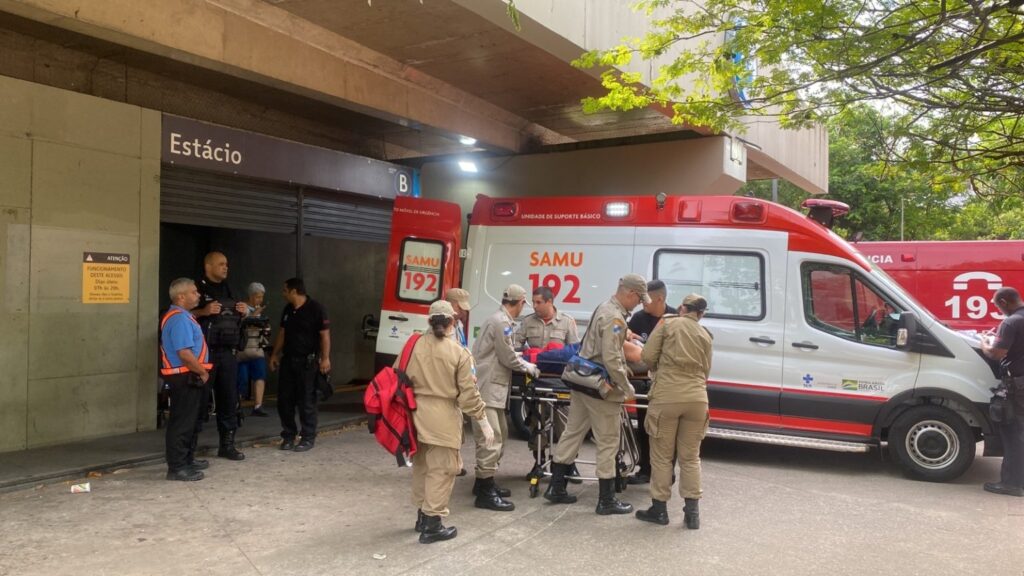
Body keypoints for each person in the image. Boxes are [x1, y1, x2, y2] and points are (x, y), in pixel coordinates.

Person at [545, 274, 650, 515]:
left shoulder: (603, 307)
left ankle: (556, 487)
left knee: (572, 433)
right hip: (601, 386)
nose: (638, 304)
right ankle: (606, 500)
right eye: (638, 299)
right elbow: (612, 358)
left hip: (581, 381)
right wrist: (626, 387)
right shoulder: (615, 316)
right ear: (630, 293)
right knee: (608, 442)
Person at [407, 300, 494, 543]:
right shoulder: (459, 353)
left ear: (428, 321)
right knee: (442, 470)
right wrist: (483, 419)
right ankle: (433, 525)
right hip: (443, 418)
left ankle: (421, 517)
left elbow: (398, 377)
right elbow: (468, 395)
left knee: (422, 466)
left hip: (414, 414)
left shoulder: (412, 345)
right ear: (452, 323)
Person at [635, 294, 714, 528]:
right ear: (701, 313)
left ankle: (659, 511)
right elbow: (706, 371)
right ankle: (692, 514)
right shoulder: (705, 335)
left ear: (682, 308)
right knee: (691, 458)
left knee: (662, 457)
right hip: (698, 400)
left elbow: (647, 357)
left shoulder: (667, 323)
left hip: (668, 396)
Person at [471, 284, 541, 512]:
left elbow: (503, 351)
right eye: (523, 304)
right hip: (488, 388)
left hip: (493, 387)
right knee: (491, 439)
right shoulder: (502, 323)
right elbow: (507, 356)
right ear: (520, 302)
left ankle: (484, 482)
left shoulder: (499, 320)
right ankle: (484, 491)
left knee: (498, 434)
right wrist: (528, 366)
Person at [192, 251, 248, 461]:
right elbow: (180, 313)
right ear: (208, 266)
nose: (226, 268)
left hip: (228, 353)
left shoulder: (231, 288)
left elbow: (237, 317)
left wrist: (244, 311)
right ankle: (190, 449)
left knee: (229, 399)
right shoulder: (195, 288)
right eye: (221, 264)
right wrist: (203, 311)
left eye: (227, 264)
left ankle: (227, 445)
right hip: (204, 355)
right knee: (199, 402)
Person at [269, 278, 331, 452]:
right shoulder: (288, 310)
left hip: (308, 361)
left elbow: (324, 335)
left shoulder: (316, 309)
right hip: (289, 360)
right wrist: (274, 354)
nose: (283, 294)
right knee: (285, 400)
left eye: (285, 290)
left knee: (306, 401)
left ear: (294, 291)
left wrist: (325, 358)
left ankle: (308, 436)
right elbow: (282, 332)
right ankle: (288, 435)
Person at [626, 279, 678, 485]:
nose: (642, 304)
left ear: (660, 299)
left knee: (666, 432)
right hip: (645, 383)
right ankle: (645, 469)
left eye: (646, 300)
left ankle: (667, 473)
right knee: (645, 428)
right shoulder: (638, 319)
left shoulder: (675, 319)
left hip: (667, 384)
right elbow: (627, 345)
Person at [160, 278, 212, 482]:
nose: (198, 295)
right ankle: (178, 467)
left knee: (190, 421)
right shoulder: (179, 319)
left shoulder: (183, 316)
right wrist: (202, 372)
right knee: (182, 422)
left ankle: (186, 459)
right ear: (181, 297)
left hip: (188, 375)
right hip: (185, 376)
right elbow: (184, 353)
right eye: (193, 292)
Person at [980, 287, 1024, 497]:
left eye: (997, 305)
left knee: (1013, 432)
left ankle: (1012, 483)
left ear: (1004, 302)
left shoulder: (1010, 322)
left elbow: (996, 354)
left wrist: (985, 343)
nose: (998, 309)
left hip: (1017, 386)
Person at [237, 282, 271, 417]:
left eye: (262, 297)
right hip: (243, 349)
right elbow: (239, 323)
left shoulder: (259, 309)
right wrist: (254, 315)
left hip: (257, 348)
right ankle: (236, 405)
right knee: (242, 379)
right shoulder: (242, 307)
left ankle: (258, 406)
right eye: (257, 297)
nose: (260, 300)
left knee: (260, 376)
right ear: (251, 296)